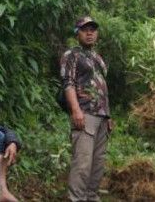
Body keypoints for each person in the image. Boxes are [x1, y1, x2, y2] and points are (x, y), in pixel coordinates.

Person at [59, 15, 112, 202]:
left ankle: (91, 198)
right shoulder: (71, 55)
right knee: (82, 163)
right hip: (85, 114)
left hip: (102, 117)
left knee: (97, 165)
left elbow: (103, 87)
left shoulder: (97, 57)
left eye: (93, 29)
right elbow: (68, 83)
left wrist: (109, 115)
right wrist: (76, 110)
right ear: (77, 33)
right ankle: (76, 199)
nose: (90, 32)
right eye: (85, 29)